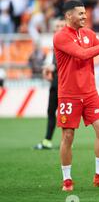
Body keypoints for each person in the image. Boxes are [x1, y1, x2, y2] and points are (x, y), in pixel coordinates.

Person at [54, 0, 99, 192]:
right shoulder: (60, 37)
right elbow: (83, 55)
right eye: (80, 14)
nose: (85, 16)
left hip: (90, 92)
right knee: (68, 136)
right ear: (69, 16)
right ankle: (67, 179)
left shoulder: (88, 33)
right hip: (69, 94)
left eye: (85, 13)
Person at [34, 17, 66, 150]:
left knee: (64, 113)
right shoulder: (56, 43)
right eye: (56, 26)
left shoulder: (66, 41)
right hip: (55, 82)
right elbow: (55, 63)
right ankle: (47, 140)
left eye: (60, 26)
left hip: (64, 84)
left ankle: (66, 141)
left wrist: (52, 68)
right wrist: (49, 70)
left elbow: (63, 63)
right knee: (51, 111)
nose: (58, 28)